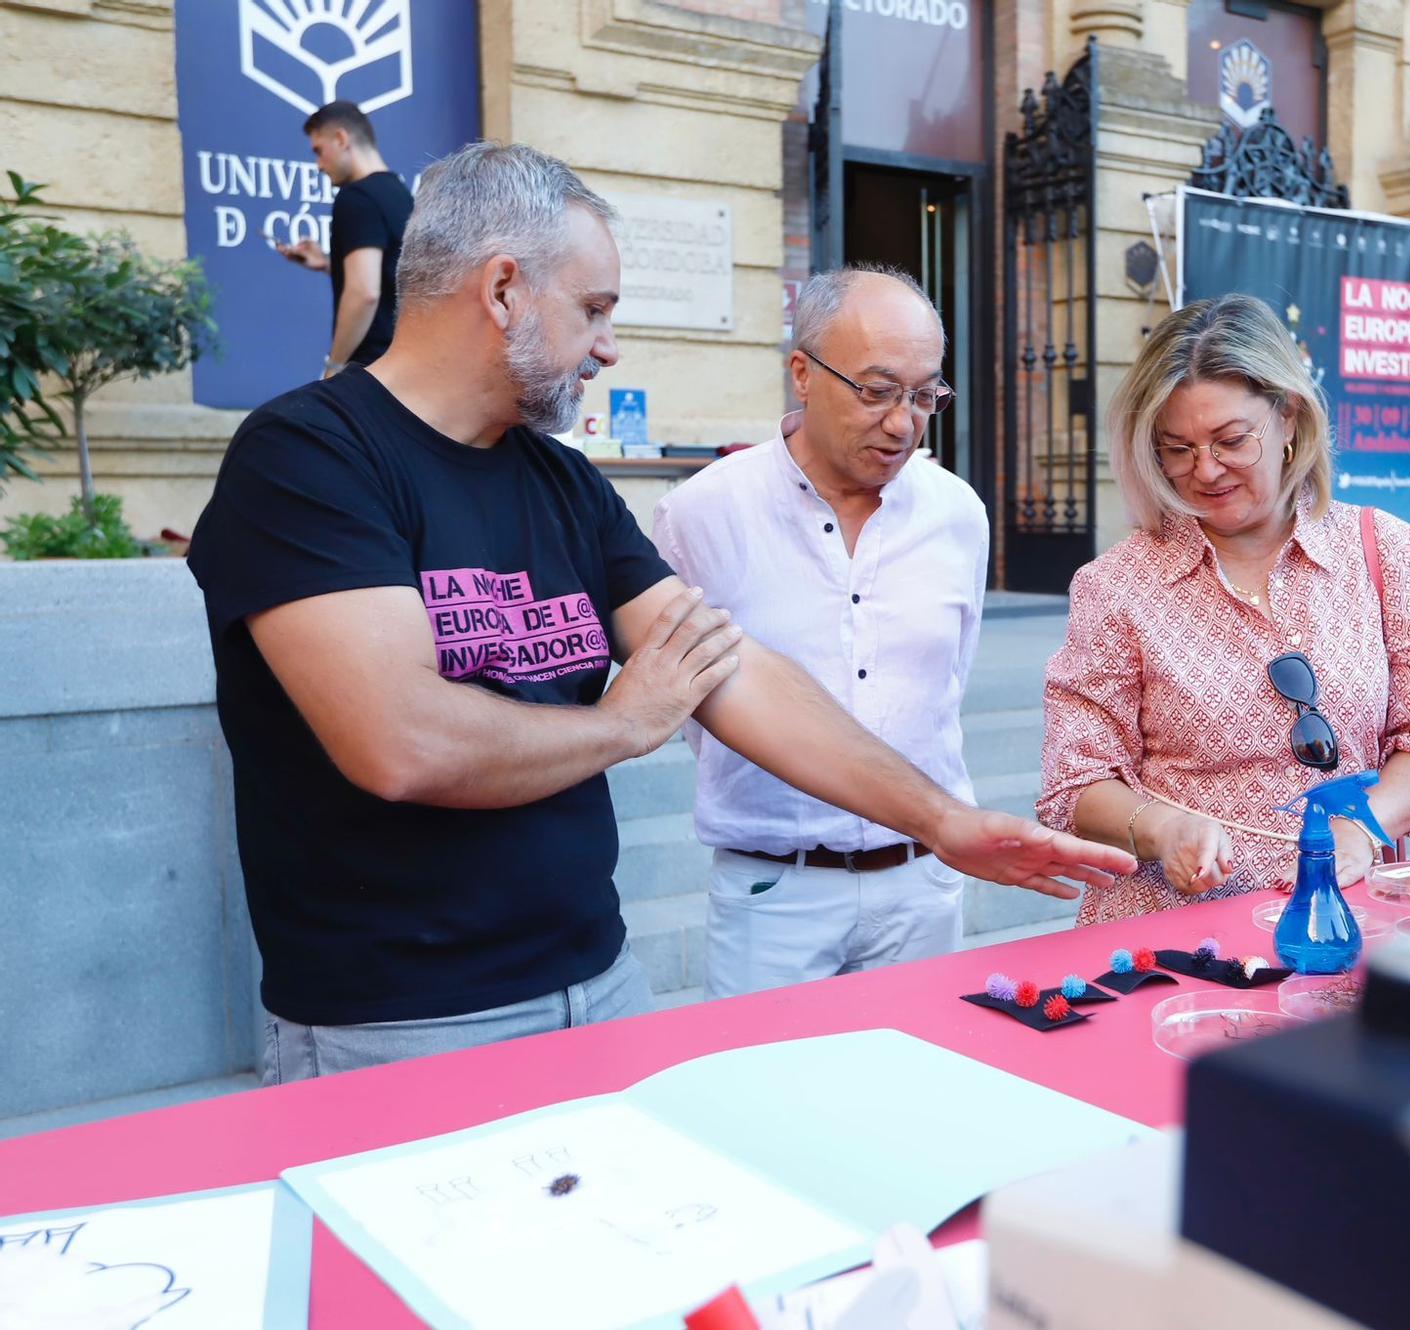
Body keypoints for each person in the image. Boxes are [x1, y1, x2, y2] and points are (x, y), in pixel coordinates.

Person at [187, 142, 1128, 1083]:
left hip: (596, 983)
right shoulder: (308, 457)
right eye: (594, 308)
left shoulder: (560, 479)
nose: (609, 344)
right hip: (398, 1021)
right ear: (505, 289)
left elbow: (732, 670)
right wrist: (625, 722)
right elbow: (402, 741)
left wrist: (940, 821)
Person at [1037, 294, 1410, 924]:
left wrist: (1364, 826)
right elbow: (1074, 780)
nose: (1206, 470)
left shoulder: (1384, 551)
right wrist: (1164, 829)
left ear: (1290, 420)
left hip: (1342, 916)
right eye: (1177, 448)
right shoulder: (1117, 585)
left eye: (1230, 440)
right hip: (1173, 932)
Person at [654, 265, 987, 999]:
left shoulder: (958, 514)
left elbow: (947, 682)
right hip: (776, 890)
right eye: (876, 391)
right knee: (764, 1106)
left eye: (924, 394)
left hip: (921, 885)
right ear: (802, 373)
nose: (903, 422)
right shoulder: (703, 514)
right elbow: (697, 707)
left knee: (923, 1092)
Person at [273, 100, 413, 375]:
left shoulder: (356, 197)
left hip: (369, 370)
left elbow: (365, 293)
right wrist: (328, 264)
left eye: (319, 150)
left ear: (340, 139)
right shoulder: (402, 196)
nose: (318, 165)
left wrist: (335, 365)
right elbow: (389, 278)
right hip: (404, 366)